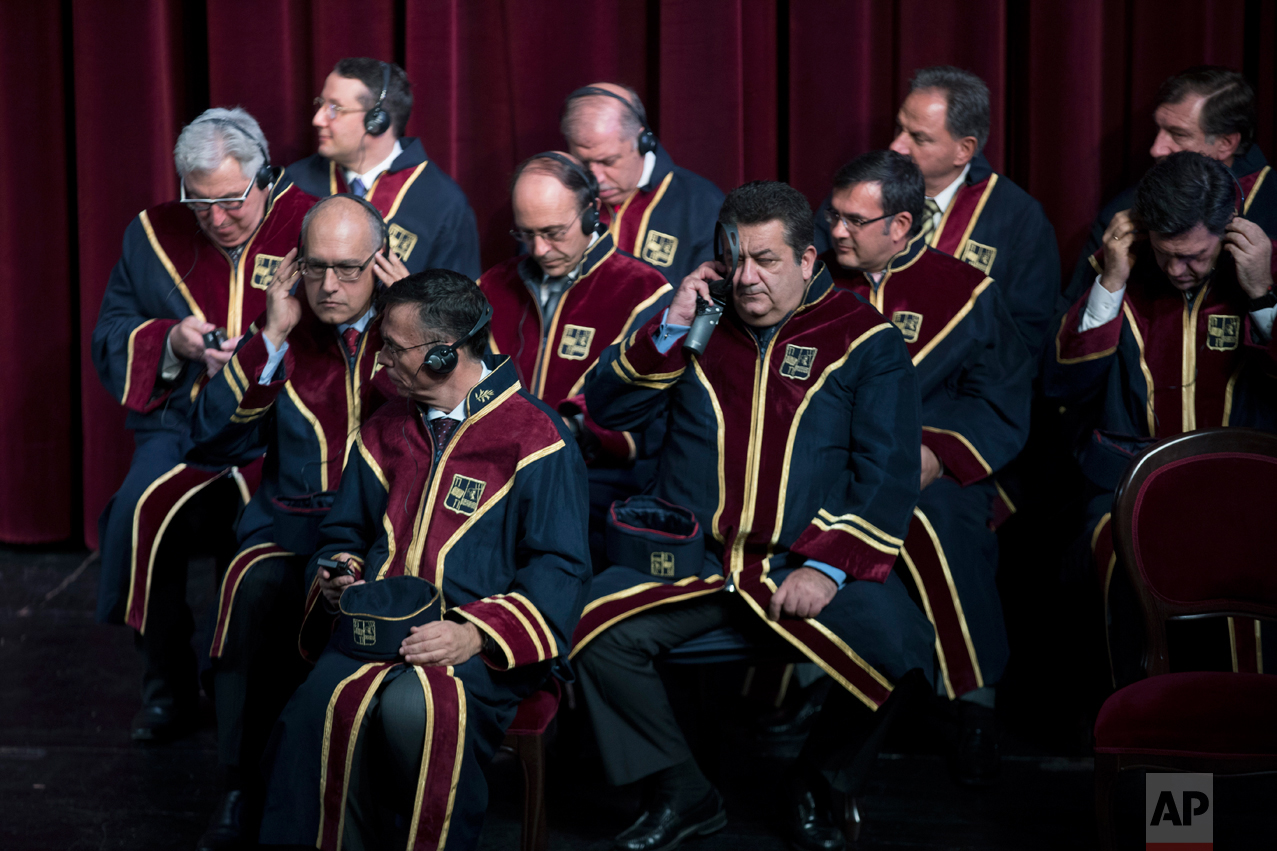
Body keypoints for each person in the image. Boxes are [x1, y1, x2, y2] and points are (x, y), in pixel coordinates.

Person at [574, 181, 936, 851]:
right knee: (591, 627)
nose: (745, 279)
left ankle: (817, 777)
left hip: (799, 563)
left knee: (905, 653)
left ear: (807, 258)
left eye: (765, 260)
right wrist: (675, 323)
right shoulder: (698, 324)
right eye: (734, 259)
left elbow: (884, 472)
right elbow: (608, 410)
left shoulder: (864, 340)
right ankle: (682, 790)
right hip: (696, 561)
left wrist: (828, 566)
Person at [258, 271, 591, 851]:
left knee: (418, 710)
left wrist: (475, 635)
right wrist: (339, 574)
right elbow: (344, 530)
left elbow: (559, 569)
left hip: (476, 647)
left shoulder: (535, 437)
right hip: (373, 631)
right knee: (311, 714)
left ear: (444, 354)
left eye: (394, 347)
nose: (379, 359)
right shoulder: (385, 427)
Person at [91, 107, 315, 744]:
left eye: (231, 201)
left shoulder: (312, 222)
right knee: (138, 512)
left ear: (264, 176)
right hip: (183, 423)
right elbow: (110, 330)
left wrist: (259, 356)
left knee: (263, 536)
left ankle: (241, 685)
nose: (216, 219)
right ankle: (166, 684)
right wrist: (173, 342)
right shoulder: (152, 233)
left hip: (281, 425)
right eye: (200, 202)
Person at [187, 194, 404, 850]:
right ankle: (238, 783)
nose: (328, 286)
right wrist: (271, 336)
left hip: (385, 532)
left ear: (383, 264)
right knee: (248, 586)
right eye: (314, 268)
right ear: (293, 267)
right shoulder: (283, 329)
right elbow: (210, 441)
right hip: (290, 522)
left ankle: (368, 791)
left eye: (346, 268)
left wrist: (408, 322)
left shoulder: (414, 328)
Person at [823, 151, 1032, 784]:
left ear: (901, 224)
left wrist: (939, 453)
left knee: (940, 529)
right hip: (828, 465)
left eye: (856, 221)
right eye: (833, 215)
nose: (835, 232)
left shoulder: (965, 293)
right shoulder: (815, 285)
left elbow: (998, 396)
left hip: (932, 467)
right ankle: (814, 687)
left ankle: (973, 703)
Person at [1044, 151, 1277, 685]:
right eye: (1167, 253)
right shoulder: (1124, 274)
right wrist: (1110, 281)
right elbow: (1062, 385)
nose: (1178, 270)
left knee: (1248, 613)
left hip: (1247, 486)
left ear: (1232, 232)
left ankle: (1242, 762)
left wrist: (1262, 293)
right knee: (1124, 585)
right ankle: (1158, 762)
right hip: (1129, 485)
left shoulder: (1262, 268)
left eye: (1195, 256)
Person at [478, 151, 672, 568]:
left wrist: (572, 426)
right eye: (526, 234)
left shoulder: (645, 292)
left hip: (595, 483)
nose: (540, 249)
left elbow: (650, 417)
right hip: (499, 476)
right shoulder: (493, 285)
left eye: (552, 232)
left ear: (591, 214)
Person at [814, 66, 1059, 359]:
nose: (896, 146)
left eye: (919, 138)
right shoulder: (859, 197)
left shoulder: (1017, 218)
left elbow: (1023, 340)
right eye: (899, 128)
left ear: (964, 150)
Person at [1065, 66, 1277, 305]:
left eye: (1178, 135)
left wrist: (1263, 292)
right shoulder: (1126, 209)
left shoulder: (1271, 206)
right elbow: (1068, 323)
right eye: (1159, 129)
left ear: (1226, 143)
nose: (1156, 149)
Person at [287, 57, 482, 279]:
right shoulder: (293, 183)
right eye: (320, 104)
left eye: (334, 108)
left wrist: (408, 302)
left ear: (377, 121)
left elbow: (459, 308)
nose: (318, 119)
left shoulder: (444, 204)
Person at [562, 83, 725, 283]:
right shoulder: (559, 198)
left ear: (643, 142)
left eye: (608, 161)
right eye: (584, 163)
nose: (596, 178)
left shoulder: (702, 204)